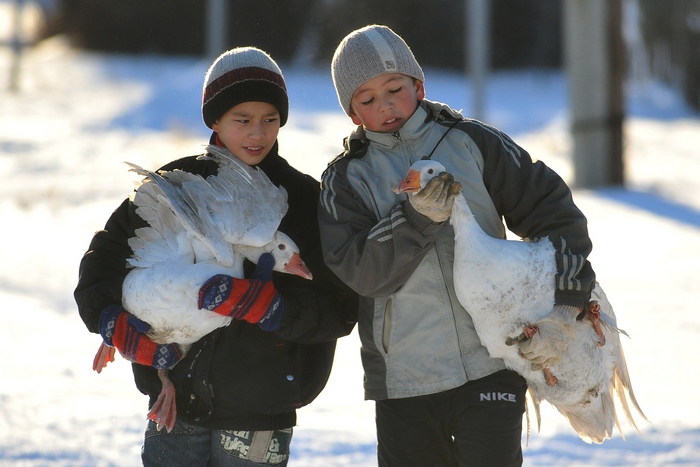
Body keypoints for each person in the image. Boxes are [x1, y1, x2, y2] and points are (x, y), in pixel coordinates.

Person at [318, 25, 596, 466]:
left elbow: (555, 216)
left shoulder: (472, 141)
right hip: (406, 377)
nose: (385, 105)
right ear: (352, 114)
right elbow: (360, 272)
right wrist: (415, 219)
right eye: (367, 100)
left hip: (493, 362)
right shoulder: (345, 179)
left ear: (419, 85)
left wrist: (564, 307)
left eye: (395, 88)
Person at [75, 46, 358, 467]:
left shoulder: (302, 200)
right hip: (172, 398)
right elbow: (105, 257)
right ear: (215, 120)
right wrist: (108, 318)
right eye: (242, 120)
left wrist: (272, 308)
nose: (257, 134)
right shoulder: (177, 187)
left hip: (260, 411)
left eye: (270, 120)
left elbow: (339, 305)